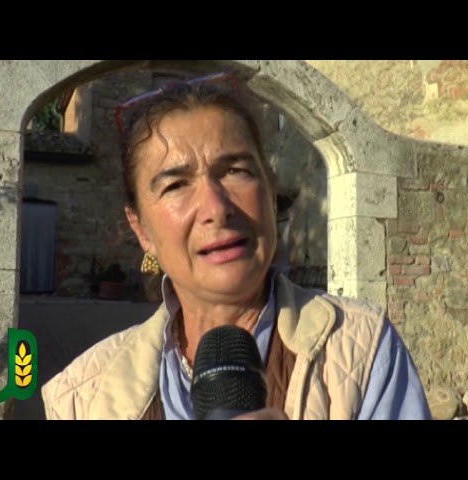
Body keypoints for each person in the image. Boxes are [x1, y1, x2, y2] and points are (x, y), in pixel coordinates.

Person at [41, 72, 432, 420]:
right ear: (142, 229)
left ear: (269, 190)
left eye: (235, 171)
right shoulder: (79, 397)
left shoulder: (361, 348)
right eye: (176, 185)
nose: (216, 208)